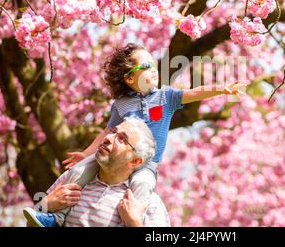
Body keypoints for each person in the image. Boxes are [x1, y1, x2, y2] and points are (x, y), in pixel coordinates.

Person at [23, 43, 246, 227]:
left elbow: (193, 93)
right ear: (130, 78)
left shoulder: (165, 97)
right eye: (147, 66)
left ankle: (134, 218)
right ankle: (54, 218)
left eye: (154, 64)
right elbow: (108, 132)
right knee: (78, 171)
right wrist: (87, 154)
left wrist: (222, 89)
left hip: (147, 164)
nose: (155, 69)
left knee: (143, 185)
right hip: (113, 159)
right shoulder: (121, 104)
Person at [24, 117, 170, 227]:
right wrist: (46, 204)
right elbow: (32, 223)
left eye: (121, 139)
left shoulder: (148, 203)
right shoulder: (73, 179)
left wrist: (134, 223)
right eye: (113, 132)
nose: (107, 138)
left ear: (134, 161)